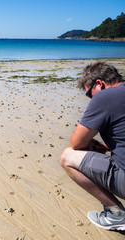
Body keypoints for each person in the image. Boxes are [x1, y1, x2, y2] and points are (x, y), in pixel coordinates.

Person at [60, 62, 125, 231]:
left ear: (99, 84)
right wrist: (109, 147)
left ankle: (116, 214)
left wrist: (93, 145)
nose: (91, 99)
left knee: (68, 156)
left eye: (90, 94)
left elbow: (77, 143)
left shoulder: (105, 97)